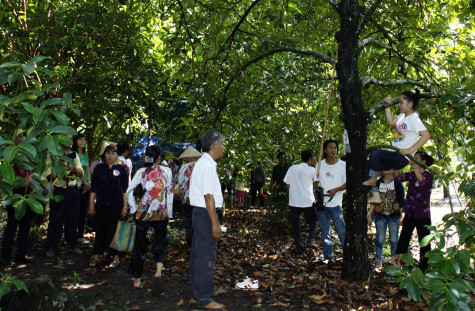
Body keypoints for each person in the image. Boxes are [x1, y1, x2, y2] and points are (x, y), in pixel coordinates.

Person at [363, 90, 430, 204]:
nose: (399, 105)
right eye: (398, 102)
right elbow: (391, 121)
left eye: (401, 102)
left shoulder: (414, 118)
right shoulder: (402, 116)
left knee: (375, 152)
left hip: (401, 157)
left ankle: (373, 179)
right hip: (392, 154)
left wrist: (410, 150)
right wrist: (386, 106)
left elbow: (426, 135)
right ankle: (375, 195)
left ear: (410, 103)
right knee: (366, 165)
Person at [126, 145, 173, 290]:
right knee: (160, 242)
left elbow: (129, 191)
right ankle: (158, 271)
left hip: (144, 212)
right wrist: (169, 213)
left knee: (140, 244)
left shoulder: (141, 172)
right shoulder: (167, 171)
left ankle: (137, 278)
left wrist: (133, 208)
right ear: (159, 158)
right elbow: (169, 193)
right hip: (160, 212)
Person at [189, 131, 225, 310]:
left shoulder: (204, 163)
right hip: (205, 214)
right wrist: (215, 223)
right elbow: (208, 197)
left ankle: (198, 292)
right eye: (222, 144)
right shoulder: (206, 166)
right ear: (213, 146)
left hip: (200, 214)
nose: (223, 148)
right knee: (206, 256)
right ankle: (204, 297)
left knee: (198, 253)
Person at [88, 145, 128, 267]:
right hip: (101, 203)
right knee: (100, 228)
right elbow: (93, 188)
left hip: (117, 204)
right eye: (108, 153)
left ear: (117, 155)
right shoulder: (99, 168)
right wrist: (91, 205)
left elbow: (124, 189)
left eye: (113, 153)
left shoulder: (122, 170)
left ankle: (115, 256)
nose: (110, 156)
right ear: (104, 155)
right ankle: (96, 254)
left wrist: (125, 206)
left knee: (115, 229)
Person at [43, 136, 84, 258]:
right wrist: (60, 174)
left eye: (71, 139)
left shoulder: (73, 155)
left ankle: (72, 244)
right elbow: (46, 175)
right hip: (59, 191)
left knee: (72, 220)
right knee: (55, 220)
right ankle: (51, 246)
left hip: (72, 191)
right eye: (66, 139)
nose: (69, 142)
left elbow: (80, 172)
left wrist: (74, 169)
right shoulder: (52, 155)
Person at [395, 151, 434, 272]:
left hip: (423, 215)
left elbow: (422, 182)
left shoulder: (429, 176)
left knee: (424, 243)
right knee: (404, 239)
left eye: (416, 159)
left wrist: (415, 167)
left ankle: (424, 269)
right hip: (410, 214)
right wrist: (395, 163)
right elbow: (399, 177)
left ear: (423, 162)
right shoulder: (411, 174)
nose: (413, 160)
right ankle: (399, 266)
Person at [1, 135, 34, 266]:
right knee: (11, 227)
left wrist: (32, 190)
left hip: (28, 197)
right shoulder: (11, 160)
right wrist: (25, 184)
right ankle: (6, 256)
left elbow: (34, 176)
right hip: (15, 197)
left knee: (25, 227)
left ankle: (21, 254)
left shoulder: (30, 159)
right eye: (21, 142)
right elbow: (11, 179)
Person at [367, 169, 405, 269]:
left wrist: (402, 215)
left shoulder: (397, 183)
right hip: (380, 214)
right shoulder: (377, 183)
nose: (386, 169)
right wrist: (370, 214)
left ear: (393, 169)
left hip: (394, 214)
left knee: (394, 238)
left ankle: (393, 259)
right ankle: (379, 261)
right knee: (380, 238)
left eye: (389, 167)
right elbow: (374, 200)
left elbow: (402, 201)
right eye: (384, 167)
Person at [316, 140, 346, 262]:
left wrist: (336, 190)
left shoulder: (342, 165)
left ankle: (347, 255)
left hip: (336, 203)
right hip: (322, 204)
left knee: (341, 230)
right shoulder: (320, 164)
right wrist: (317, 191)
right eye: (330, 148)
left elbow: (347, 183)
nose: (333, 150)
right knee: (325, 231)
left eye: (335, 148)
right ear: (325, 150)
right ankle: (328, 256)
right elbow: (316, 181)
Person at [283, 150, 318, 252]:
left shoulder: (292, 168)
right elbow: (318, 181)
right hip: (308, 200)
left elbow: (287, 184)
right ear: (310, 159)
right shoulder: (312, 170)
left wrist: (291, 196)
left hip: (294, 201)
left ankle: (299, 245)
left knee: (295, 224)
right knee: (314, 221)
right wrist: (316, 165)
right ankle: (310, 240)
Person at [177, 146, 202, 248]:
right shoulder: (202, 166)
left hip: (188, 197)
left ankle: (189, 241)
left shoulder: (185, 167)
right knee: (199, 220)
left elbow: (180, 183)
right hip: (200, 198)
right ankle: (198, 241)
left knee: (188, 219)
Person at [72, 133, 92, 244]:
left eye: (84, 140)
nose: (82, 142)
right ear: (75, 141)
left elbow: (88, 169)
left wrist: (88, 183)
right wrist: (84, 183)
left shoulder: (85, 154)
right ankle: (73, 235)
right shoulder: (73, 154)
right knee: (76, 211)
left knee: (83, 212)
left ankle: (80, 235)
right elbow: (75, 171)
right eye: (80, 139)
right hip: (78, 185)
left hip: (86, 186)